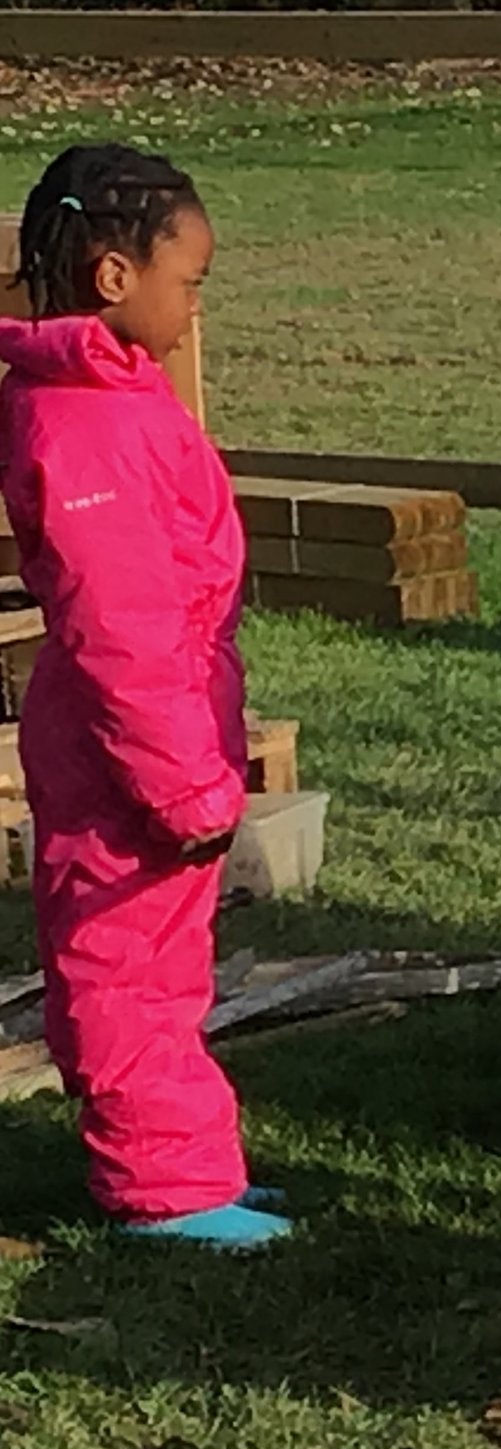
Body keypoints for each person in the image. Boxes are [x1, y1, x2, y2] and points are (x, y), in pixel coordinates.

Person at [0, 144, 287, 1249]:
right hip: (132, 749)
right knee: (121, 964)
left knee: (166, 967)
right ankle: (160, 1193)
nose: (194, 307)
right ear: (116, 278)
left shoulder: (115, 398)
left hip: (164, 727)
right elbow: (118, 625)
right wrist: (185, 786)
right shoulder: (83, 423)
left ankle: (193, 1169)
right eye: (189, 282)